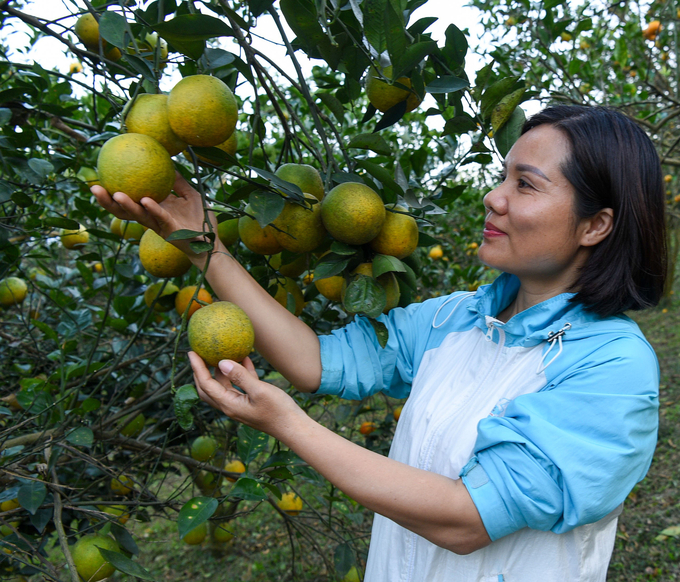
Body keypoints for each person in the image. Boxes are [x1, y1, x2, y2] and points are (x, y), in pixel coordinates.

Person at [92, 104, 667, 582]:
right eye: (502, 176)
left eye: (525, 185)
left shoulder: (613, 367)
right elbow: (314, 361)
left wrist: (287, 424)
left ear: (596, 225)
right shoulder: (453, 320)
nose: (495, 198)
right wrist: (205, 247)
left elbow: (468, 518)